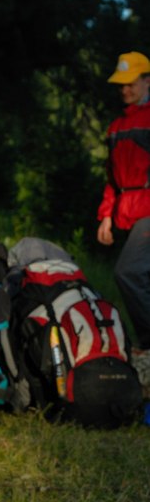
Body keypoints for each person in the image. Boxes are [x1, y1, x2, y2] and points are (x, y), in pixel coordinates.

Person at [96, 50, 150, 363]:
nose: (125, 89)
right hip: (126, 212)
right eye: (121, 84)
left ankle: (147, 342)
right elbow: (111, 179)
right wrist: (105, 216)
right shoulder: (116, 127)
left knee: (127, 272)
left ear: (146, 81)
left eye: (131, 83)